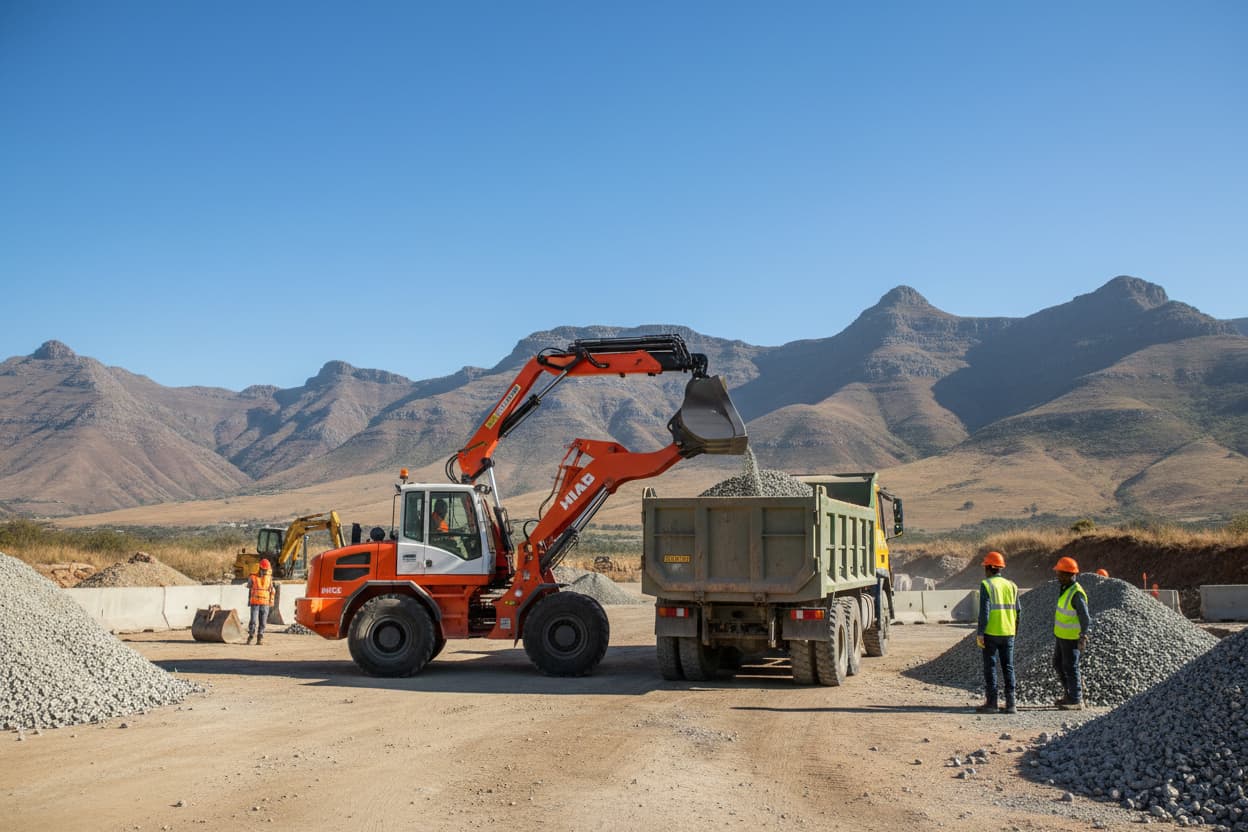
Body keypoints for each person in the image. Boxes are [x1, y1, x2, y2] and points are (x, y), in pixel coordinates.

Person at [975, 551, 1019, 714]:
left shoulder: (986, 585)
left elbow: (984, 612)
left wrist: (980, 633)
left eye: (985, 567)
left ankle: (992, 703)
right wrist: (1015, 630)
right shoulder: (1012, 585)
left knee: (991, 667)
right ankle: (1011, 704)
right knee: (1008, 667)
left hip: (991, 633)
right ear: (1000, 568)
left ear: (989, 567)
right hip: (1008, 632)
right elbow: (1018, 611)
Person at [1052, 556, 1090, 709]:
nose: (1057, 576)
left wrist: (1083, 635)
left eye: (1060, 574)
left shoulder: (1076, 593)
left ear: (1068, 574)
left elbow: (1085, 617)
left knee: (1070, 666)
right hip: (1061, 636)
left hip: (1071, 637)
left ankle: (1076, 699)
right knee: (1058, 664)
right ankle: (1069, 694)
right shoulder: (1065, 589)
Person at [246, 558, 274, 645]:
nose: (266, 571)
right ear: (261, 568)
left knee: (263, 622)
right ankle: (251, 636)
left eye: (267, 570)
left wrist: (271, 602)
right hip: (255, 602)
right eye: (264, 570)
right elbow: (249, 587)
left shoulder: (269, 578)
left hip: (265, 603)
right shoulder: (253, 577)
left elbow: (272, 590)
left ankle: (260, 638)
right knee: (253, 621)